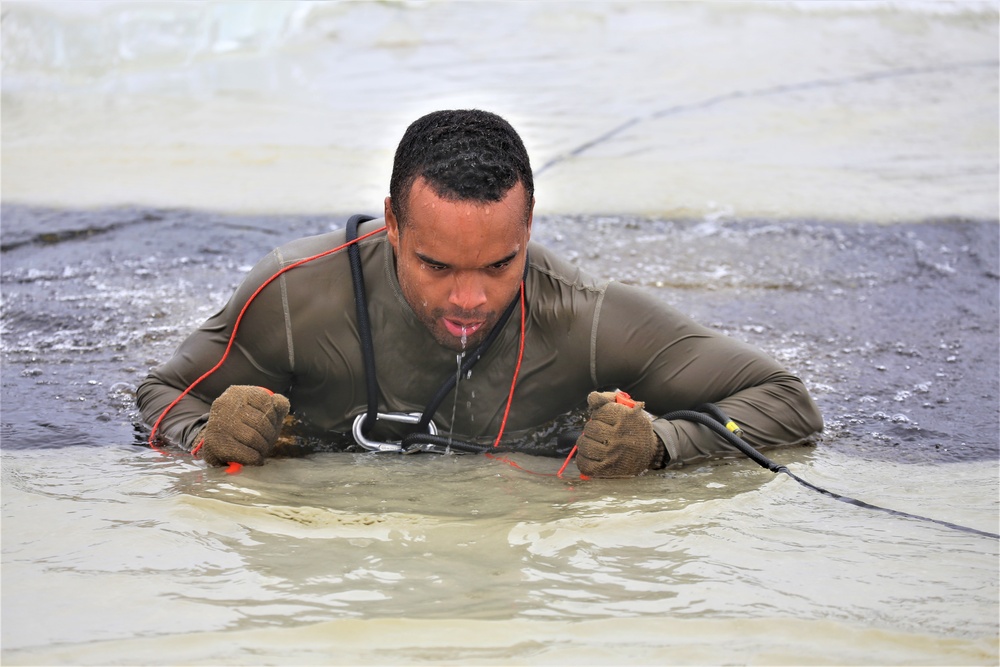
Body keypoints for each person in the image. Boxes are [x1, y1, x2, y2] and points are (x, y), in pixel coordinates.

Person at [137, 109, 823, 477]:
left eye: (500, 265)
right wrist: (205, 436)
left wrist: (662, 445)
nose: (470, 297)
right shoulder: (294, 299)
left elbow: (785, 403)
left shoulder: (580, 316)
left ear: (529, 230)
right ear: (392, 226)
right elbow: (161, 393)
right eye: (438, 265)